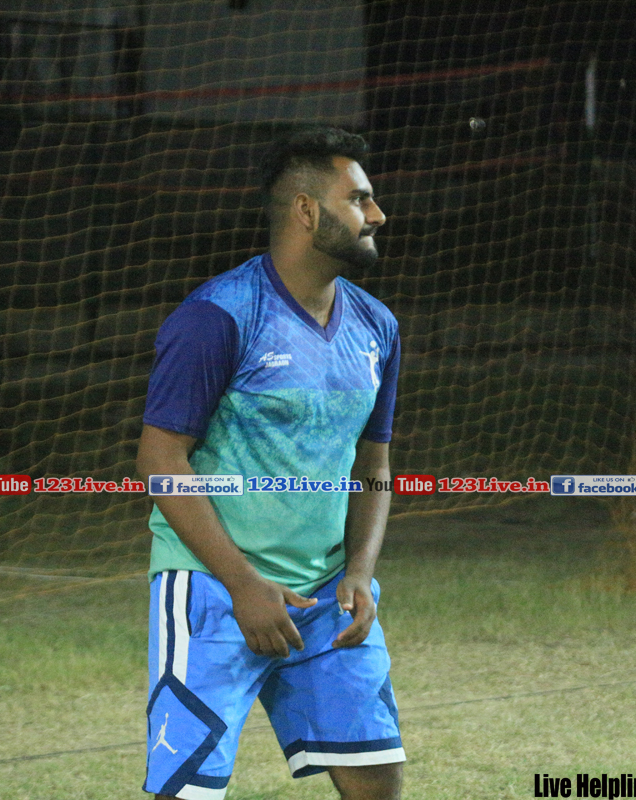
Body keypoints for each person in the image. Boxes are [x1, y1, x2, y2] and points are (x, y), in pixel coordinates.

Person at [136, 125, 403, 800]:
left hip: (327, 598)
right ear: (306, 210)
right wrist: (243, 584)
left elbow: (374, 466)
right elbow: (160, 459)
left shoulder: (377, 326)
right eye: (359, 199)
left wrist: (361, 572)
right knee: (186, 794)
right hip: (214, 590)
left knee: (377, 780)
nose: (377, 214)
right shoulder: (219, 315)